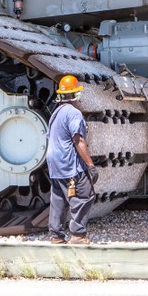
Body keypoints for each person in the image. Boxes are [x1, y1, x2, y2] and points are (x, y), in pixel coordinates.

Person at [46, 74, 100, 245]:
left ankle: (56, 235)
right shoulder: (74, 113)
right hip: (68, 162)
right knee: (85, 194)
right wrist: (90, 165)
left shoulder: (56, 113)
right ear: (76, 95)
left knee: (59, 198)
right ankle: (78, 235)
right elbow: (78, 141)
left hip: (54, 162)